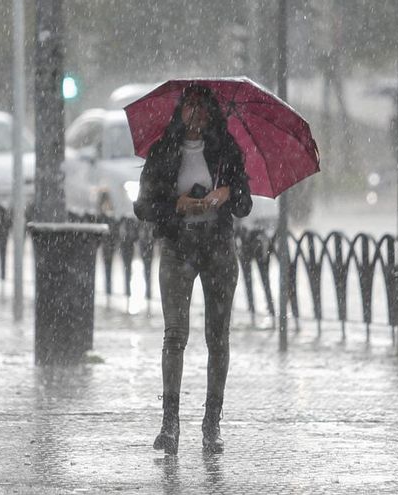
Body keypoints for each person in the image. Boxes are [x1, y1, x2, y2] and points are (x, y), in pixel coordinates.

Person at [133, 85, 252, 454]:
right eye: (190, 106)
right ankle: (170, 424)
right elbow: (143, 206)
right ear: (179, 111)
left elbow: (245, 204)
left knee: (218, 338)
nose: (196, 113)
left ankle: (211, 424)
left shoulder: (226, 150)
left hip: (218, 248)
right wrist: (178, 204)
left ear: (212, 112)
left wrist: (227, 193)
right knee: (175, 335)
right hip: (177, 247)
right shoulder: (163, 150)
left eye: (203, 107)